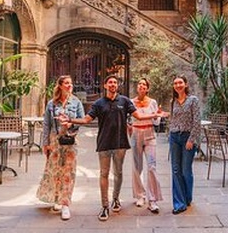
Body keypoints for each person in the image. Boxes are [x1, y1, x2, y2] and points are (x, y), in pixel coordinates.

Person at [63, 75, 163, 221]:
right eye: (110, 82)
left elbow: (139, 117)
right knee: (104, 174)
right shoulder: (98, 103)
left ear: (117, 86)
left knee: (118, 173)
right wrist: (70, 120)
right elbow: (86, 119)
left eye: (115, 82)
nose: (113, 84)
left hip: (120, 144)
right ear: (105, 85)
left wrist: (156, 114)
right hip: (104, 144)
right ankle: (104, 206)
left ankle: (115, 198)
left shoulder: (125, 101)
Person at [36, 75, 84, 221]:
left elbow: (83, 119)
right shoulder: (52, 104)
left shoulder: (76, 102)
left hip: (70, 140)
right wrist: (45, 144)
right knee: (54, 171)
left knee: (69, 172)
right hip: (55, 141)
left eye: (71, 83)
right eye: (67, 83)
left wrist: (71, 124)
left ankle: (65, 204)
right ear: (61, 85)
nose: (70, 85)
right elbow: (46, 125)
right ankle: (57, 198)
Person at [168, 75, 201, 214]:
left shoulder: (193, 100)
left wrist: (191, 139)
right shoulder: (173, 102)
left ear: (185, 84)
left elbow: (197, 121)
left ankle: (187, 197)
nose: (178, 85)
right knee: (176, 170)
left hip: (188, 137)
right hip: (175, 137)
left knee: (186, 170)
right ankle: (179, 203)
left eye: (180, 82)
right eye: (175, 83)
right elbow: (173, 119)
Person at [129, 78, 163, 214]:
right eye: (140, 84)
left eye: (144, 84)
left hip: (149, 134)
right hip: (136, 134)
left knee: (152, 166)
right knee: (137, 167)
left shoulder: (153, 102)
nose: (142, 86)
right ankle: (140, 195)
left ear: (147, 89)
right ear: (137, 88)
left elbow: (157, 122)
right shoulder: (131, 102)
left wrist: (156, 115)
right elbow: (128, 118)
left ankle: (153, 199)